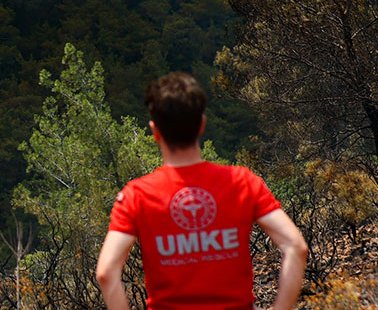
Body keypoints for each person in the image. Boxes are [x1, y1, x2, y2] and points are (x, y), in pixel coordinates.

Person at [95, 72, 308, 309]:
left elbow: (106, 272)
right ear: (202, 125)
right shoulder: (242, 182)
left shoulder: (137, 195)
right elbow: (295, 246)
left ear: (155, 131)